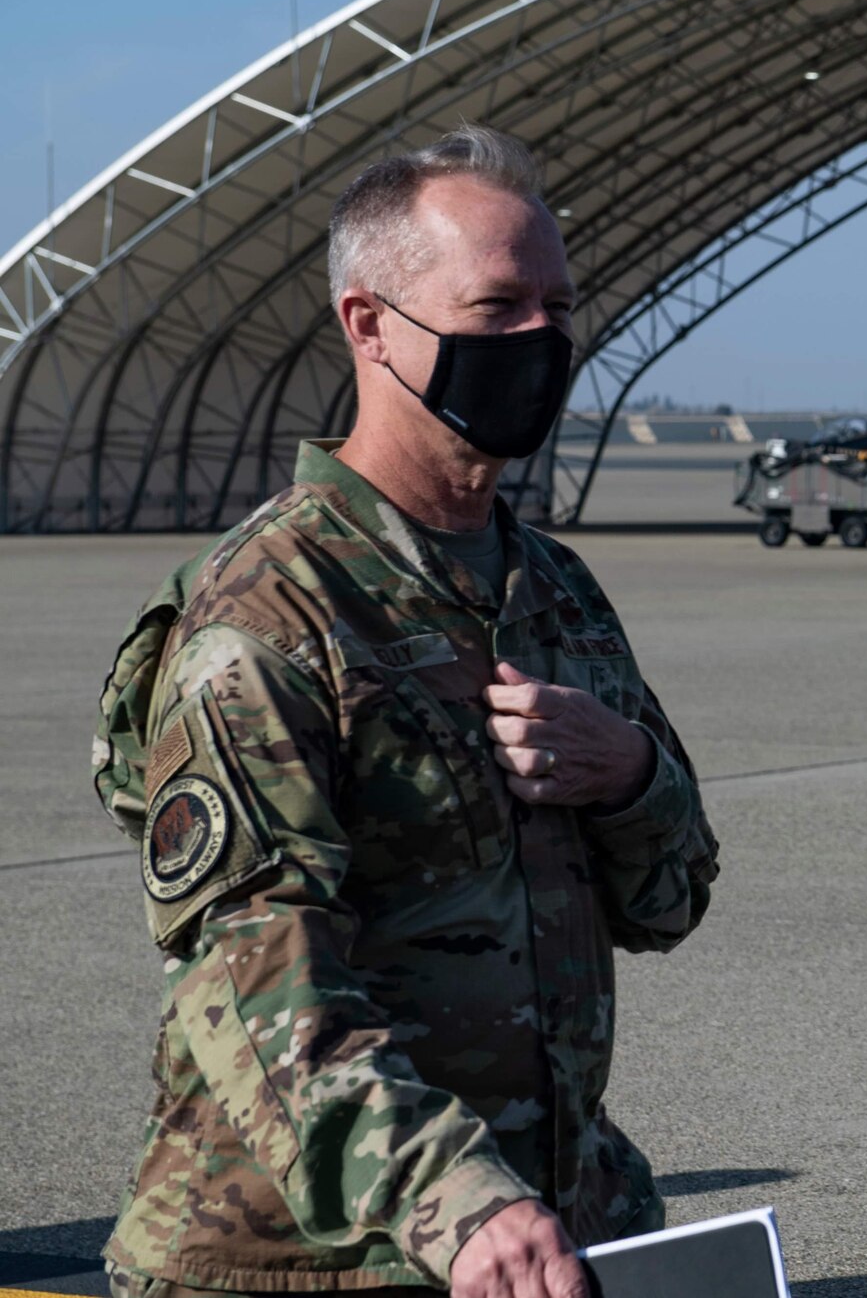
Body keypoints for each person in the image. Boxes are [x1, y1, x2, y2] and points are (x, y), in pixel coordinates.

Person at [91, 126, 719, 1298]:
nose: (541, 340)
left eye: (557, 305)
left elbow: (672, 898)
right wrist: (458, 1200)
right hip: (306, 1259)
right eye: (497, 308)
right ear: (369, 324)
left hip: (534, 1231)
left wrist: (631, 774)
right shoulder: (268, 614)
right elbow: (255, 979)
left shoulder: (557, 593)